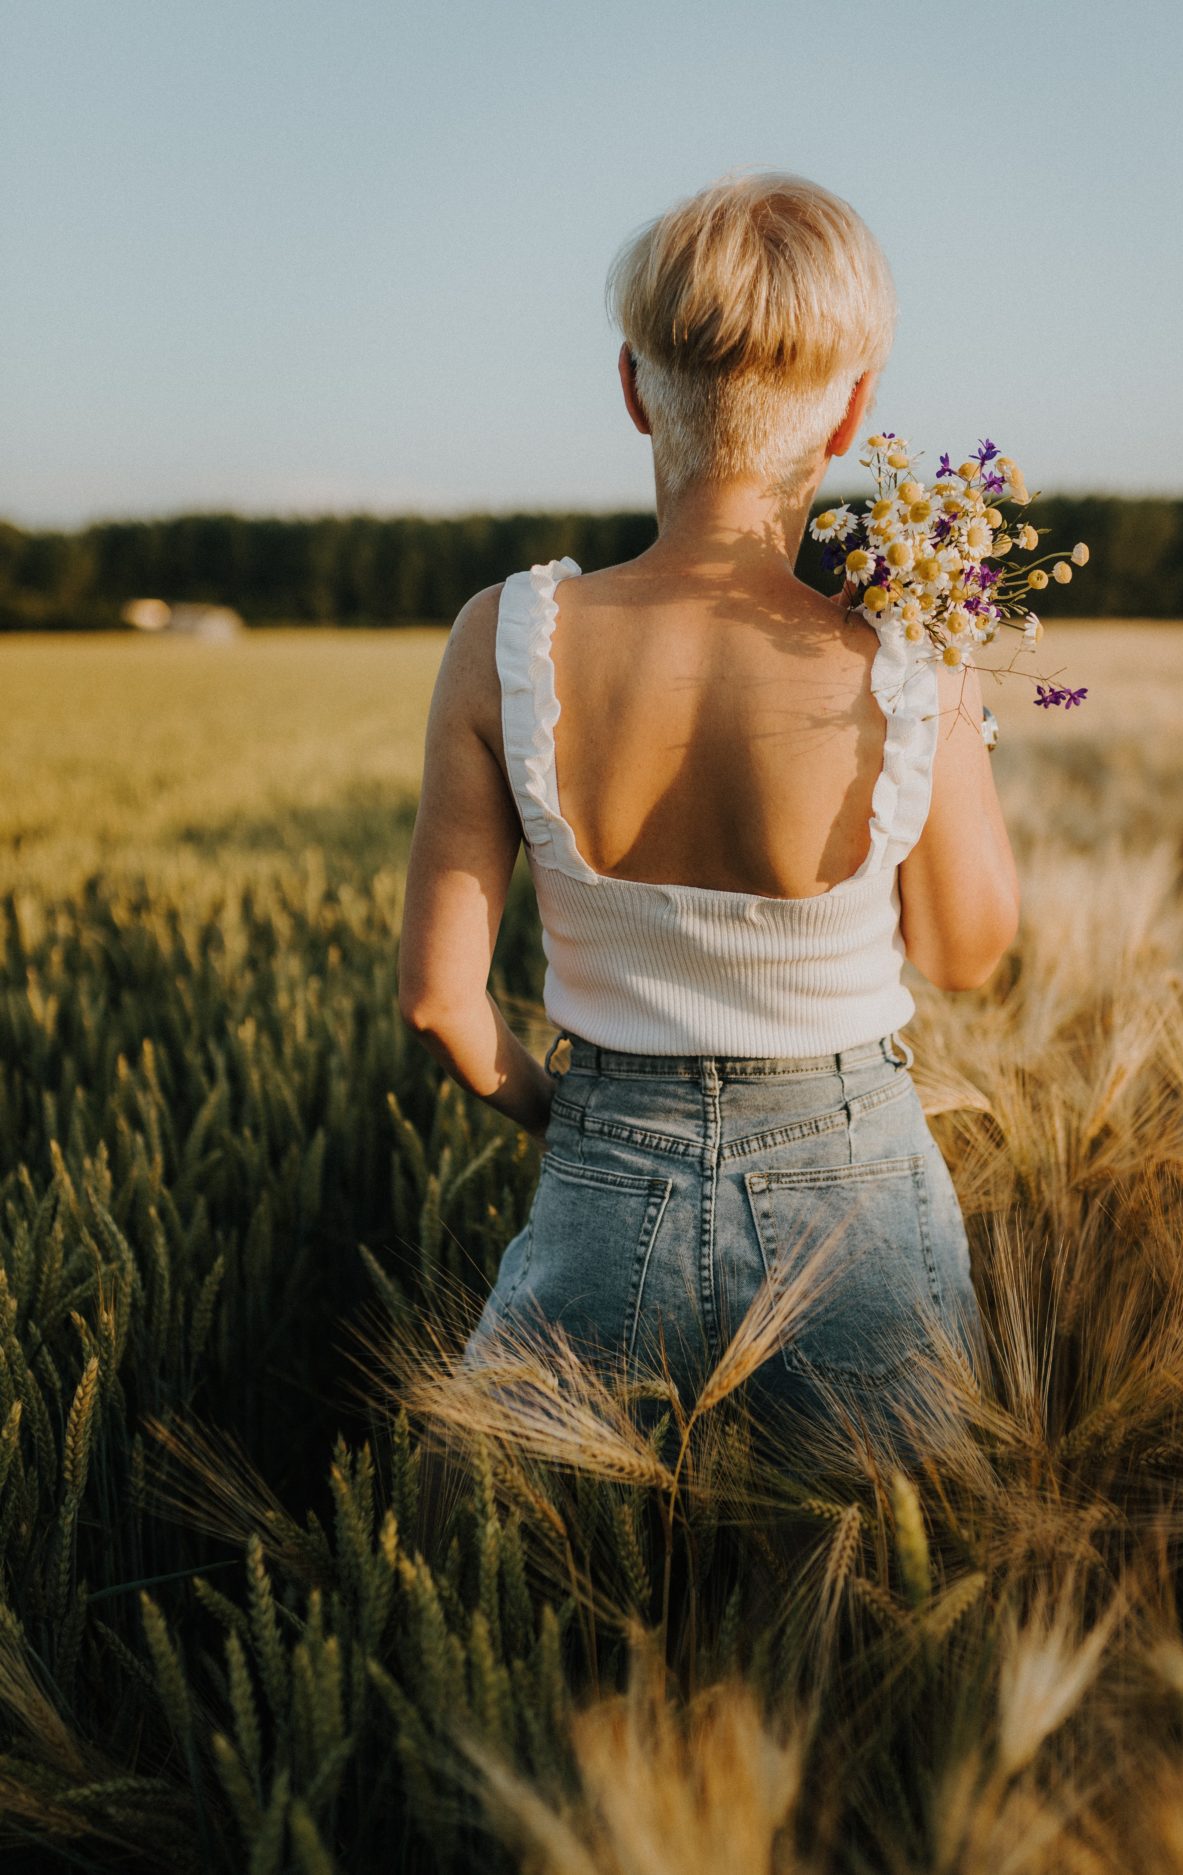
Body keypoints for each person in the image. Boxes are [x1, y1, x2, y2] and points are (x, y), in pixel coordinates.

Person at [397, 170, 1019, 1454]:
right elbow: (968, 953)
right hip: (860, 1206)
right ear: (852, 416)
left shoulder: (501, 636)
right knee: (889, 1610)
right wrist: (945, 666)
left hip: (600, 1176)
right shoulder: (910, 657)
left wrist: (578, 1119)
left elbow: (439, 1003)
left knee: (532, 1599)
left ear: (632, 388)